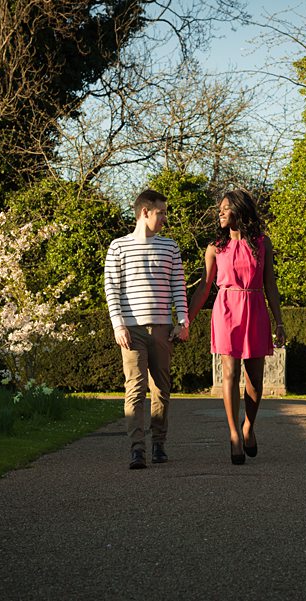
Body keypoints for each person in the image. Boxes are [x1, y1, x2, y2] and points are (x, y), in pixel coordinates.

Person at [188, 189, 285, 465]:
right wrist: (186, 321)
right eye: (219, 208)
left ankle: (248, 427)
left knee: (255, 379)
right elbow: (204, 288)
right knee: (229, 372)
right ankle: (233, 433)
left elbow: (270, 285)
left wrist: (279, 321)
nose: (219, 212)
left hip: (255, 308)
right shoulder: (215, 247)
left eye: (225, 208)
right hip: (226, 309)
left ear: (240, 211)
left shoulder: (262, 243)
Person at [104, 189, 189, 470]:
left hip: (162, 328)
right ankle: (137, 449)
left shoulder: (170, 247)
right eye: (160, 212)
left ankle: (158, 444)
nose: (164, 218)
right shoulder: (118, 247)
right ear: (145, 212)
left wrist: (183, 322)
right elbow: (112, 289)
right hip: (131, 330)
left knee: (161, 389)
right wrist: (118, 325)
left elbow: (178, 287)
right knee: (135, 389)